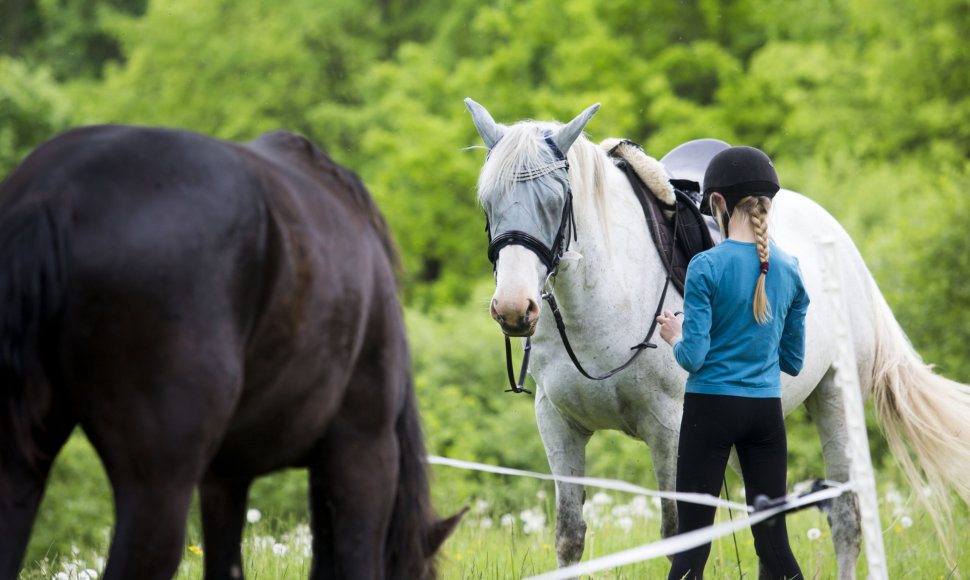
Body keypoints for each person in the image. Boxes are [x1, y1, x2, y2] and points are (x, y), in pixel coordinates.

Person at [656, 146, 809, 580]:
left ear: (718, 203)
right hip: (765, 415)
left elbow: (694, 358)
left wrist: (675, 335)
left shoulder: (706, 266)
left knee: (692, 546)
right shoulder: (790, 268)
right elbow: (793, 361)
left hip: (711, 412)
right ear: (767, 204)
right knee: (774, 545)